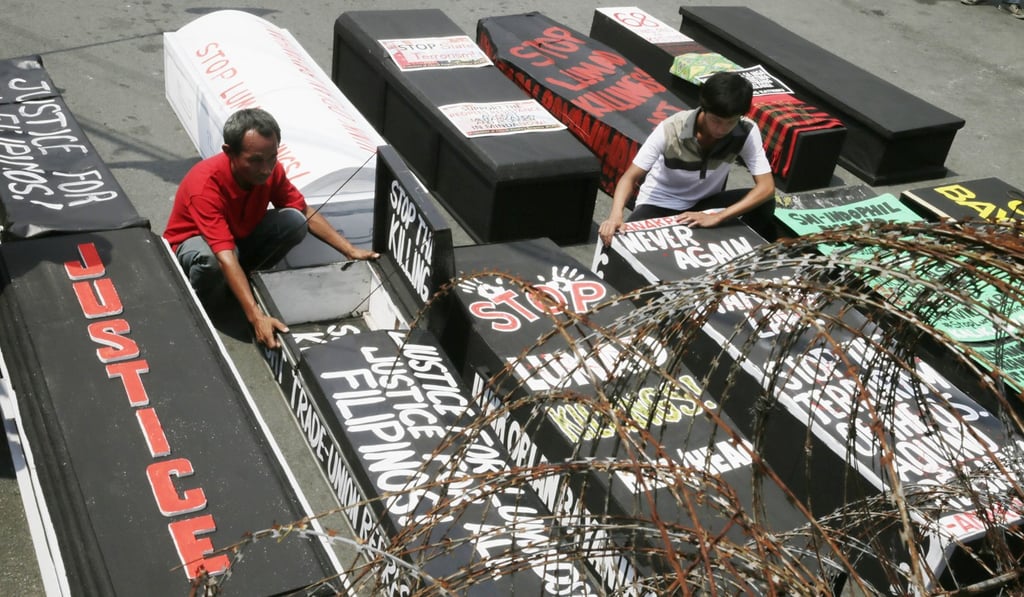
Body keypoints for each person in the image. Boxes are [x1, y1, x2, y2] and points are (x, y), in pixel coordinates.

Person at [163, 107, 378, 349]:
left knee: (294, 222)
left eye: (272, 158)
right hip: (197, 247)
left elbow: (304, 211)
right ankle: (211, 307)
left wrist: (348, 249)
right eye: (255, 160)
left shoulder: (270, 171)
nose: (266, 169)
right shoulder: (205, 187)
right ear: (229, 153)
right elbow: (224, 255)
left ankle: (244, 284)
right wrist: (256, 318)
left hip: (235, 243)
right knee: (211, 260)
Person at [598, 71, 776, 246]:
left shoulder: (746, 131)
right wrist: (615, 215)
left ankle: (746, 252)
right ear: (704, 109)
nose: (722, 129)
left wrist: (717, 217)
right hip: (660, 204)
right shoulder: (670, 129)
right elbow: (630, 177)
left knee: (764, 202)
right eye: (716, 121)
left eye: (730, 122)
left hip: (704, 204)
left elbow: (766, 188)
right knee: (624, 241)